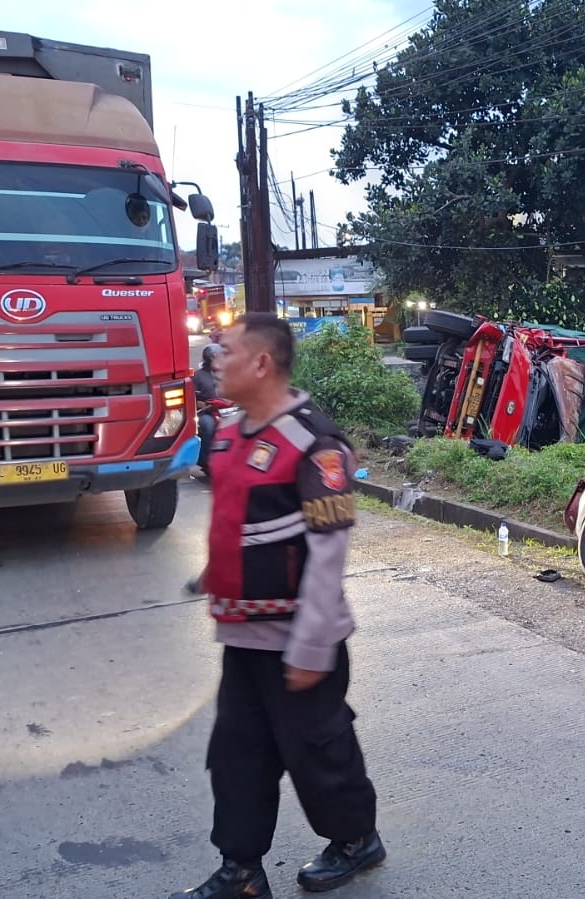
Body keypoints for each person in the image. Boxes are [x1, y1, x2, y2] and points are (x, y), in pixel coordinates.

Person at [170, 314, 384, 899]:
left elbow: (328, 553)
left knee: (319, 752)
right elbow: (237, 519)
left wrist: (311, 647)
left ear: (262, 363)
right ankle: (241, 870)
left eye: (227, 351)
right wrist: (214, 576)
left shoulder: (315, 445)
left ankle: (356, 840)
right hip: (242, 634)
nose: (215, 360)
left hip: (300, 638)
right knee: (237, 755)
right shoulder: (231, 432)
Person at [193, 343, 225, 480]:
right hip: (206, 412)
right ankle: (205, 460)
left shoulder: (227, 374)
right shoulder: (198, 376)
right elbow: (191, 397)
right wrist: (201, 404)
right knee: (208, 425)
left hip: (227, 410)